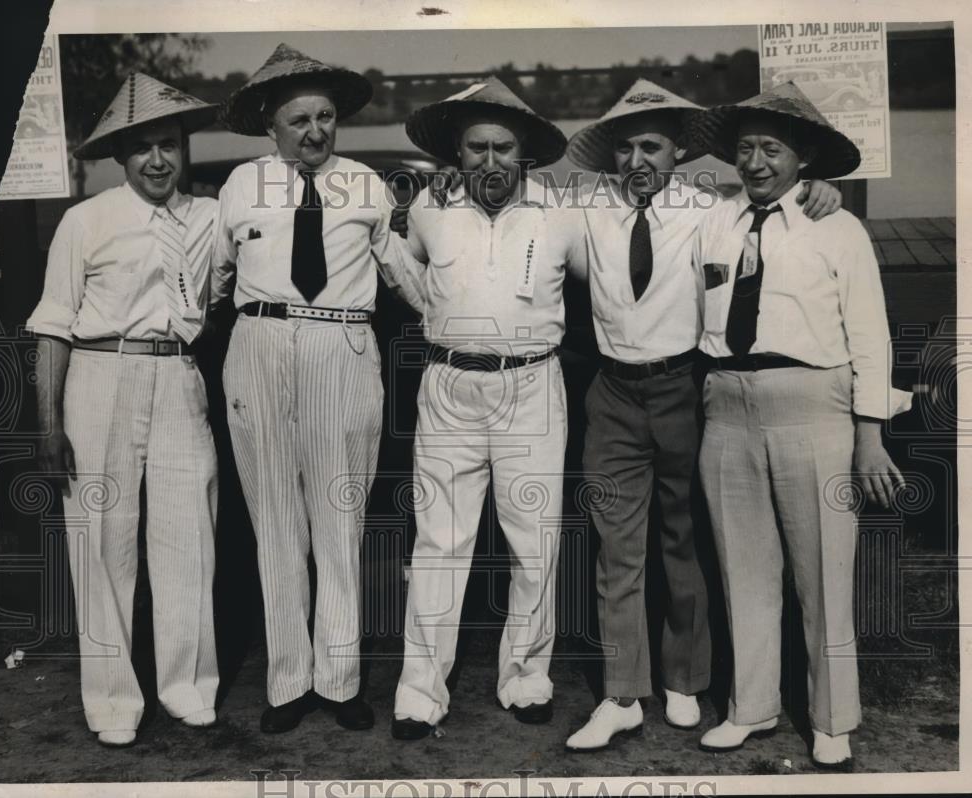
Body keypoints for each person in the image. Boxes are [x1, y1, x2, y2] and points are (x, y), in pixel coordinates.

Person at [560, 78, 843, 752]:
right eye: (624, 148)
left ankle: (685, 679)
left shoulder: (710, 209)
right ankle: (623, 694)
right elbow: (508, 210)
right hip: (613, 395)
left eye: (651, 147)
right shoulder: (583, 210)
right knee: (615, 548)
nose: (637, 162)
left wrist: (817, 189)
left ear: (678, 151)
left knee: (684, 542)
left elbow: (773, 204)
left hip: (685, 387)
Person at [690, 81, 911, 769]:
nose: (756, 162)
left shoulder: (837, 227)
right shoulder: (714, 220)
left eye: (773, 149)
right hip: (726, 401)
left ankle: (831, 718)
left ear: (802, 157)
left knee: (822, 572)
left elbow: (870, 336)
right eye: (746, 148)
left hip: (814, 405)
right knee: (742, 568)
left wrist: (869, 434)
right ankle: (750, 708)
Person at [211, 44, 424, 734]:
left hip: (343, 344)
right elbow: (214, 277)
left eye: (326, 116)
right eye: (299, 119)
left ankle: (339, 680)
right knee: (274, 520)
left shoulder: (367, 185)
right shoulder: (242, 185)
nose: (315, 131)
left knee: (340, 519)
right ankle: (287, 684)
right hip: (261, 343)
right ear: (272, 125)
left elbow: (406, 276)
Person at [389, 77, 587, 741]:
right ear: (457, 152)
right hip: (449, 387)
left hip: (530, 384)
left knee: (534, 541)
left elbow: (621, 267)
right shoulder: (426, 208)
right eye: (477, 148)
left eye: (505, 146)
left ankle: (527, 675)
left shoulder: (564, 210)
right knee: (439, 541)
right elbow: (405, 272)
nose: (491, 161)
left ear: (525, 150)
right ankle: (421, 688)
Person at [27, 72, 220, 748]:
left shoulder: (208, 218)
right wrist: (48, 424)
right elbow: (52, 325)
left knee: (188, 535)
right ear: (121, 157)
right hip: (100, 377)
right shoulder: (87, 221)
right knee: (103, 540)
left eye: (169, 146)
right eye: (143, 150)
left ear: (184, 149)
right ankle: (111, 700)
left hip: (177, 380)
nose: (159, 161)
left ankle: (187, 687)